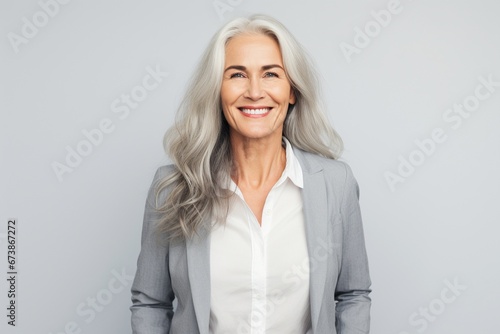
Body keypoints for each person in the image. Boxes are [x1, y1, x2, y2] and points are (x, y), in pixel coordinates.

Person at [130, 14, 371, 334]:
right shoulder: (173, 187)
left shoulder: (335, 183)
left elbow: (353, 294)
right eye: (237, 75)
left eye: (271, 74)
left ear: (292, 91)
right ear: (217, 90)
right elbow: (151, 302)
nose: (255, 91)